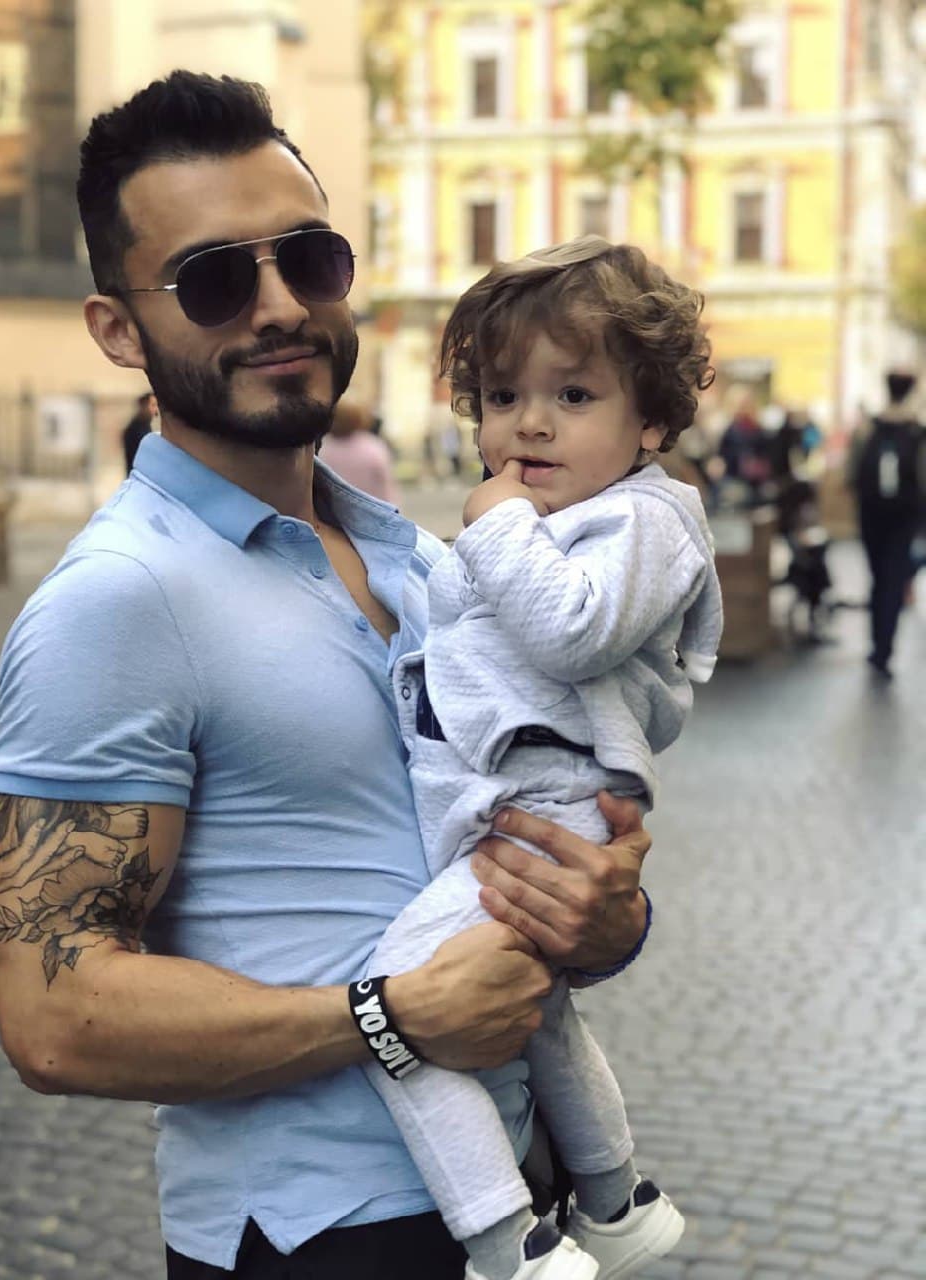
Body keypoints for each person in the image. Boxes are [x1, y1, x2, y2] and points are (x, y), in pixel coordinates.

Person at [0, 72, 653, 1280]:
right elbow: (53, 1014)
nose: (281, 306)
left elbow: (509, 874)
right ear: (118, 331)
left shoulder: (427, 559)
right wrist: (388, 1014)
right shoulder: (117, 599)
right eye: (215, 280)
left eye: (309, 259)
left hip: (522, 1192)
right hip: (318, 1236)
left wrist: (604, 918)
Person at [359, 236, 722, 1280]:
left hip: (546, 806)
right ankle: (615, 1198)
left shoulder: (648, 519)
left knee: (393, 1005)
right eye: (504, 395)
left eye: (572, 394)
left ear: (649, 420)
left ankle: (504, 1240)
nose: (529, 423)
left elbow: (572, 631)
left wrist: (496, 522)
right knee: (542, 1016)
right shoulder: (578, 514)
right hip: (517, 807)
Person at [848, 369, 925, 678]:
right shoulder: (917, 432)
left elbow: (851, 472)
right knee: (894, 579)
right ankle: (884, 648)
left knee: (878, 577)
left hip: (871, 515)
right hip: (904, 518)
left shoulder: (868, 428)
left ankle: (876, 644)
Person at [318, 398, 400, 504]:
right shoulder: (373, 448)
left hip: (333, 509)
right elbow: (386, 486)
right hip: (370, 509)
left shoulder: (323, 447)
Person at [122, 389, 157, 473]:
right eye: (152, 405)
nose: (155, 409)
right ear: (144, 406)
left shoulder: (145, 426)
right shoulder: (135, 429)